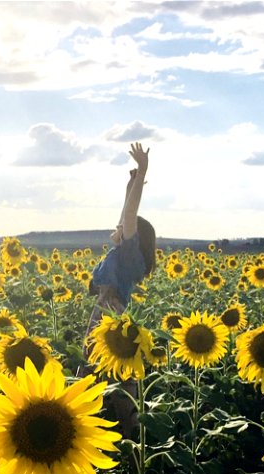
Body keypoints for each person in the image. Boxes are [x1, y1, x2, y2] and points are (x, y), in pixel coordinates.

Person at [81, 142, 156, 438]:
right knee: (91, 379)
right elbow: (126, 216)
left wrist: (142, 177)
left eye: (124, 226)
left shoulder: (129, 257)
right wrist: (129, 186)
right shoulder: (126, 253)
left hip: (110, 315)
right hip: (102, 311)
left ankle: (134, 441)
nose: (118, 225)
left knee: (120, 384)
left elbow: (129, 218)